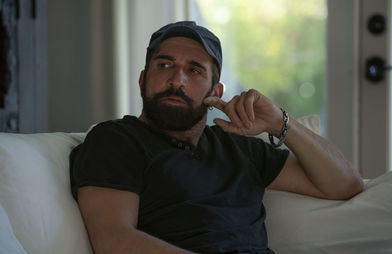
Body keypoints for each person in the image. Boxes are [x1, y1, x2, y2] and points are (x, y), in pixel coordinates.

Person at [69, 21, 363, 254]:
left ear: (216, 92)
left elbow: (346, 185)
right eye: (164, 65)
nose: (177, 80)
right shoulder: (116, 140)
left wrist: (279, 122)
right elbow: (114, 241)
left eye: (194, 70)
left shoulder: (239, 148)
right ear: (143, 80)